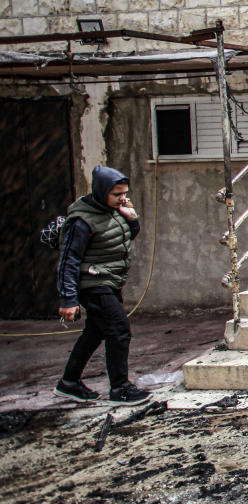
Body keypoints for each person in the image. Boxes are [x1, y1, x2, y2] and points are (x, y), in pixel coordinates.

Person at [55, 166, 150, 406]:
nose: (122, 198)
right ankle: (120, 388)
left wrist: (132, 218)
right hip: (93, 283)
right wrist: (68, 299)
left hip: (109, 280)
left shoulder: (114, 211)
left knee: (95, 332)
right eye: (117, 194)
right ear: (101, 191)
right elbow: (68, 260)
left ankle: (69, 382)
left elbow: (122, 238)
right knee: (119, 329)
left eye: (124, 193)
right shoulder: (81, 220)